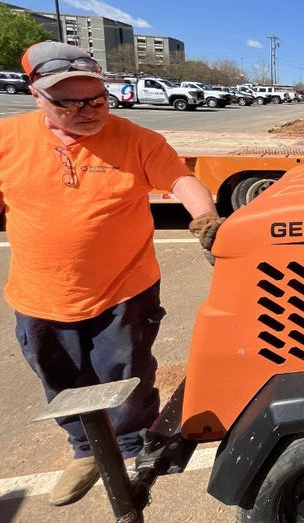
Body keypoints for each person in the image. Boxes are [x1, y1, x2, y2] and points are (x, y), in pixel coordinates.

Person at [0, 41, 223, 506]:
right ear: (36, 94)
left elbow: (180, 179)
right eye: (70, 102)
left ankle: (130, 446)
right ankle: (85, 451)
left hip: (124, 289)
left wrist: (206, 221)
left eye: (97, 99)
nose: (88, 110)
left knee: (126, 370)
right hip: (39, 293)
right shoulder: (8, 139)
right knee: (62, 379)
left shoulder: (136, 140)